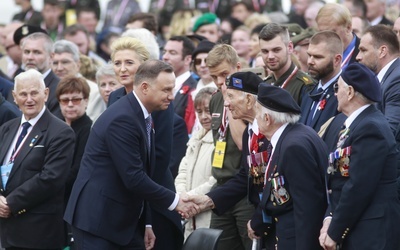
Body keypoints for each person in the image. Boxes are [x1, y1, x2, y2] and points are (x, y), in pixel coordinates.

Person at [64, 60, 197, 249]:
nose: (171, 96)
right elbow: (134, 177)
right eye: (166, 90)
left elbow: (144, 173)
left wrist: (147, 223)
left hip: (122, 221)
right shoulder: (123, 119)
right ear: (144, 87)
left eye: (172, 89)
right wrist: (176, 202)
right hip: (98, 222)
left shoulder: (142, 114)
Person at [319, 62, 400, 250]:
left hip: (371, 232)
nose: (335, 93)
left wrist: (335, 231)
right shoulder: (353, 125)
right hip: (358, 225)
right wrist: (329, 217)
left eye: (337, 87)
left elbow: (358, 186)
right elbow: (339, 181)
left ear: (350, 92)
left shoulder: (370, 128)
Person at [0, 69, 75, 249]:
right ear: (14, 97)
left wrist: (11, 203)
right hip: (6, 230)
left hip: (38, 232)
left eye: (34, 93)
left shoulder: (61, 132)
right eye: (23, 94)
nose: (29, 99)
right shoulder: (7, 129)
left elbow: (51, 178)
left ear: (46, 93)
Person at [247, 83, 328, 249]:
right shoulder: (295, 134)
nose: (255, 118)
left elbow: (307, 207)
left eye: (257, 113)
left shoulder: (293, 146)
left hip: (294, 240)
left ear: (267, 119)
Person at [205, 44, 254, 250]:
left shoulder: (251, 96)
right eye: (214, 76)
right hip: (221, 187)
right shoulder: (215, 98)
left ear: (238, 67)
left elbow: (246, 145)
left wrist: (229, 100)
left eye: (224, 74)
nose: (218, 82)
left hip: (245, 189)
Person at [175, 87, 217, 238]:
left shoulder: (221, 141)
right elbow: (183, 172)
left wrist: (188, 198)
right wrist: (181, 196)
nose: (204, 116)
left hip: (208, 215)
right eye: (200, 112)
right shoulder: (195, 139)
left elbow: (216, 180)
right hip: (189, 215)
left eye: (209, 110)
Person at [356, 25, 400, 134]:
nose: (358, 57)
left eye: (363, 50)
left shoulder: (397, 79)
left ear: (382, 51)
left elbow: (390, 131)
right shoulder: (386, 77)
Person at [55, 76, 92, 200]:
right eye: (65, 100)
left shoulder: (89, 129)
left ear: (86, 101)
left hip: (73, 195)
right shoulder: (55, 126)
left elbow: (79, 168)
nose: (70, 105)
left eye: (76, 100)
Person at [259, 23, 314, 105]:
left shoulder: (305, 86)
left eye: (276, 50)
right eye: (265, 51)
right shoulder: (264, 85)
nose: (270, 56)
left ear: (290, 47)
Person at [299, 31, 342, 132]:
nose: (310, 61)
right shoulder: (308, 90)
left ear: (336, 60)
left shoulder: (344, 94)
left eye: (318, 57)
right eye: (309, 55)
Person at [52, 40, 105, 122]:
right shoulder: (46, 88)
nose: (59, 68)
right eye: (55, 63)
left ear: (78, 65)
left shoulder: (94, 92)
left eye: (65, 62)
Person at [21, 32, 62, 118]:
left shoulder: (60, 89)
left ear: (51, 57)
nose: (30, 57)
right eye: (26, 52)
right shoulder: (16, 84)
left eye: (37, 52)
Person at [162, 36, 197, 134]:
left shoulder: (194, 89)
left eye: (172, 53)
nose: (165, 57)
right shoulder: (158, 85)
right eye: (164, 52)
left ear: (187, 59)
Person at [316, 3, 360, 70]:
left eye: (332, 33)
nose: (326, 38)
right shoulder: (316, 52)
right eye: (321, 33)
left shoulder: (365, 52)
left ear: (348, 28)